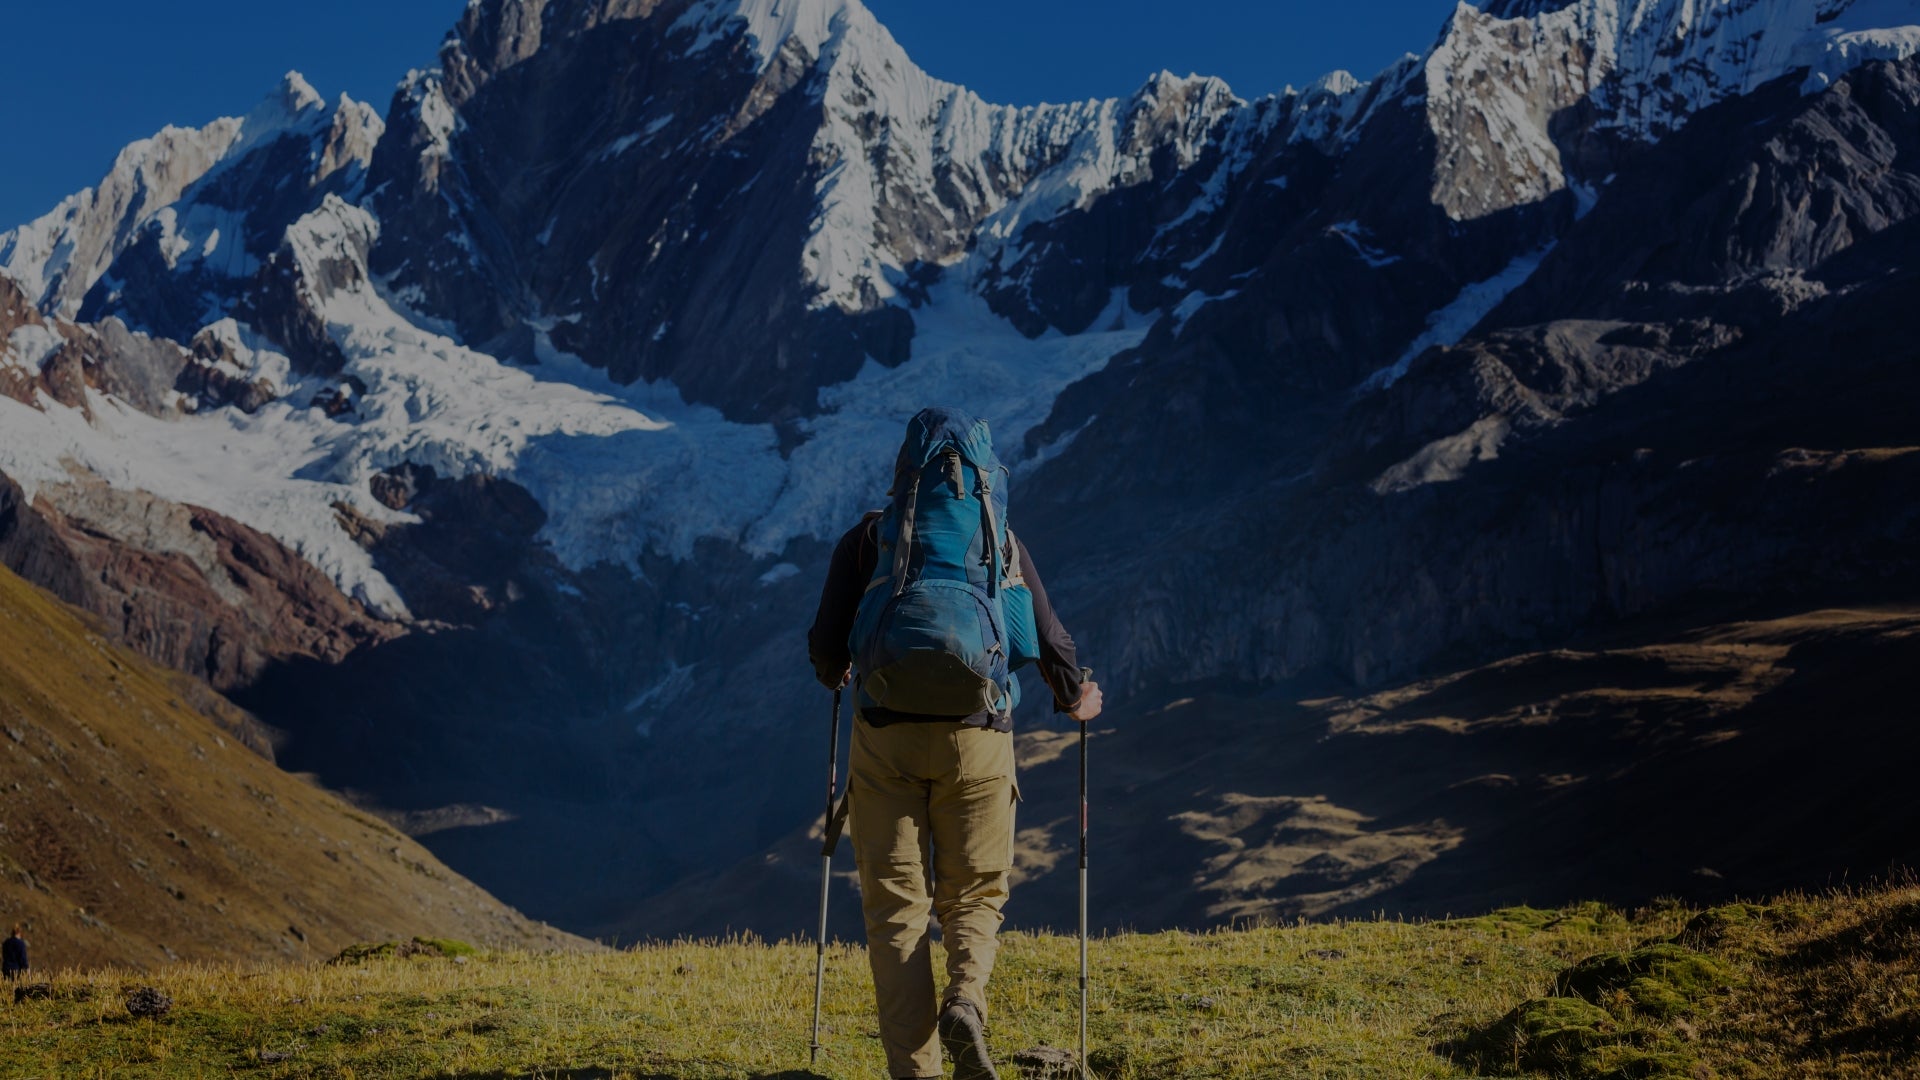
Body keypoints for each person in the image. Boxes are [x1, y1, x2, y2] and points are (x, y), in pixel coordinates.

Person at [809, 407, 1104, 1080]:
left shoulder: (868, 540)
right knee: (973, 893)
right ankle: (965, 999)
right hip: (977, 738)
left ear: (903, 474)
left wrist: (842, 670)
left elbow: (826, 651)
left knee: (895, 912)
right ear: (982, 477)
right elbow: (1049, 643)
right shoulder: (999, 541)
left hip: (884, 738)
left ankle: (917, 1075)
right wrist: (1076, 699)